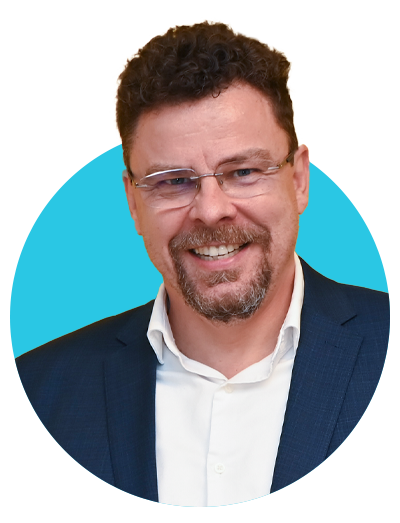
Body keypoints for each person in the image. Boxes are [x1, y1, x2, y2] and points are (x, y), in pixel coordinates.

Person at [15, 19, 389, 506]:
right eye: (173, 181)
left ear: (298, 179)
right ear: (133, 202)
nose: (211, 210)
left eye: (244, 171)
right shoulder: (35, 393)